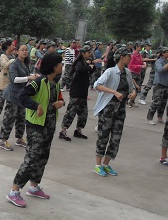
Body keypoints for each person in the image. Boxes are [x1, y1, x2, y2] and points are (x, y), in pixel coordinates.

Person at [6, 52, 65, 208]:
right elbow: (22, 96)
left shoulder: (55, 82)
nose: (62, 66)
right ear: (53, 66)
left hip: (49, 124)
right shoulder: (39, 82)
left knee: (43, 156)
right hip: (36, 126)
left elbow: (59, 98)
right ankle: (14, 191)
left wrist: (61, 102)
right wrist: (36, 106)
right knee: (32, 158)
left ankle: (34, 186)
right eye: (60, 63)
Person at [93, 47, 137, 176]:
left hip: (120, 110)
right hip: (108, 109)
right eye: (128, 56)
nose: (130, 58)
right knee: (103, 136)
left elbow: (131, 87)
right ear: (122, 57)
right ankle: (98, 165)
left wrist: (133, 92)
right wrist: (114, 92)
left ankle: (106, 164)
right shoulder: (110, 72)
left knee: (116, 137)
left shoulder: (127, 73)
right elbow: (97, 85)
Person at [0, 44, 35, 151]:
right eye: (22, 50)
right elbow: (14, 79)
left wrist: (33, 77)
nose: (24, 52)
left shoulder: (25, 64)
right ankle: (3, 140)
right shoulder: (14, 64)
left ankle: (19, 138)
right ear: (17, 51)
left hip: (22, 95)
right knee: (9, 118)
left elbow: (26, 76)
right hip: (13, 94)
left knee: (21, 118)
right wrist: (28, 77)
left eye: (26, 50)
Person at [59, 45, 95, 141]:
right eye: (88, 52)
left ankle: (78, 130)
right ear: (83, 53)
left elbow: (91, 70)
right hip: (76, 92)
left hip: (83, 92)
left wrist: (92, 65)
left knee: (83, 114)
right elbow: (80, 70)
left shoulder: (86, 62)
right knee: (71, 112)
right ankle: (63, 131)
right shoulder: (79, 63)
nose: (90, 54)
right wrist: (88, 66)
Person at [0, 40, 15, 127]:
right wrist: (13, 60)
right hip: (3, 82)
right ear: (8, 46)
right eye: (12, 45)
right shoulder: (3, 56)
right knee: (0, 102)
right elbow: (5, 65)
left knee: (10, 103)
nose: (14, 47)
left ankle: (7, 118)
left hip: (11, 82)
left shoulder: (12, 56)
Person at [146, 48, 168, 125]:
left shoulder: (166, 61)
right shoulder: (159, 61)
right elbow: (160, 70)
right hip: (159, 84)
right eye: (167, 52)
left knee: (163, 102)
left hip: (166, 84)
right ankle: (149, 118)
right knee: (156, 102)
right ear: (163, 53)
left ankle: (160, 117)